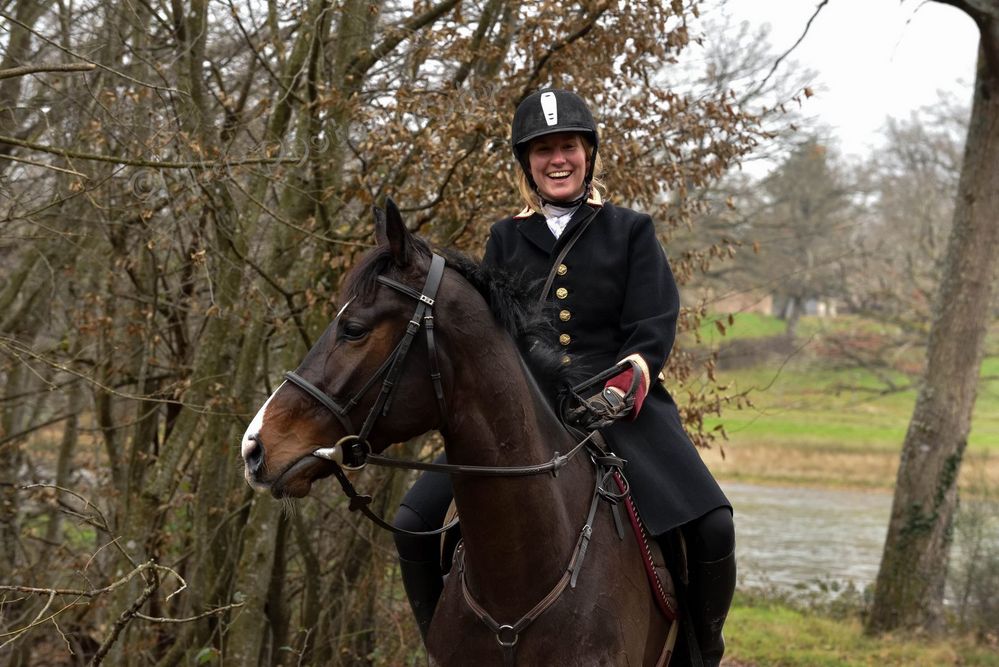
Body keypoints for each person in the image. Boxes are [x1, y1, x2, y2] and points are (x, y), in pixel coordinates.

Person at [393, 88, 736, 666]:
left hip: (617, 404)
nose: (558, 159)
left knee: (713, 527)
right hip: (524, 410)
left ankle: (698, 655)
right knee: (413, 523)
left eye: (569, 147)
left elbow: (654, 320)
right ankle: (443, 648)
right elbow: (492, 335)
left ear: (588, 153)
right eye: (544, 149)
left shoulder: (630, 230)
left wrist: (635, 371)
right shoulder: (506, 237)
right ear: (526, 162)